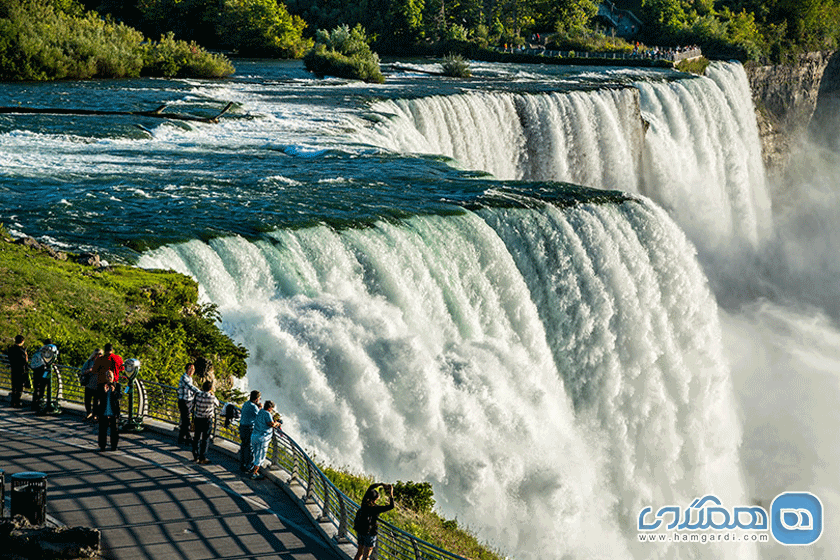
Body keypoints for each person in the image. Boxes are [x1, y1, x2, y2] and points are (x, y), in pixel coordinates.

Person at [352, 483, 395, 560]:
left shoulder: (364, 503)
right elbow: (391, 506)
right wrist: (391, 493)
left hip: (360, 530)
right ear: (375, 499)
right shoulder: (375, 508)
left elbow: (371, 487)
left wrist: (381, 484)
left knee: (359, 553)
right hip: (370, 533)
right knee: (366, 556)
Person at [248, 399, 281, 480]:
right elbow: (271, 424)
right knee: (259, 456)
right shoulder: (267, 414)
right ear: (270, 408)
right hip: (262, 438)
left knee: (255, 453)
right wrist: (277, 423)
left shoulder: (260, 411)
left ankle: (252, 469)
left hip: (254, 436)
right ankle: (254, 474)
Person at [191, 380, 219, 464]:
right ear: (210, 389)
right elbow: (217, 404)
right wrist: (213, 394)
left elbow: (193, 403)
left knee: (196, 437)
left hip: (198, 418)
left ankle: (195, 455)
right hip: (207, 420)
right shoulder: (212, 397)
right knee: (205, 439)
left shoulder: (197, 395)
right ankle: (202, 457)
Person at [95, 370, 122, 451]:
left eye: (110, 376)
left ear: (113, 377)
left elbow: (119, 396)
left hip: (113, 412)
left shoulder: (117, 385)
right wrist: (104, 391)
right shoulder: (101, 386)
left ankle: (114, 446)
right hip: (104, 412)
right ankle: (102, 446)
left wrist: (114, 392)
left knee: (114, 431)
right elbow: (97, 398)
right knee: (102, 431)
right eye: (107, 376)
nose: (109, 378)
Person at [29, 339, 55, 411]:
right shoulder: (48, 351)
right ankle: (40, 403)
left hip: (36, 371)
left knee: (37, 387)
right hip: (44, 370)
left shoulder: (39, 350)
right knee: (43, 386)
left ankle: (35, 404)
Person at [238, 390, 261, 472]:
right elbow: (260, 417)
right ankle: (249, 466)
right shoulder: (254, 407)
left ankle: (242, 464)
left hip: (242, 427)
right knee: (250, 447)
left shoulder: (246, 403)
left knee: (243, 446)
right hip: (249, 428)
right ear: (257, 399)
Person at [177, 363, 198, 444]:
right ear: (188, 369)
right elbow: (190, 387)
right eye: (192, 369)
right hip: (184, 402)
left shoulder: (189, 378)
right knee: (187, 420)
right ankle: (188, 437)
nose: (193, 371)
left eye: (194, 369)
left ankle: (181, 437)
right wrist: (202, 393)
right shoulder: (184, 378)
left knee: (185, 420)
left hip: (188, 401)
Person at [80, 348, 103, 420]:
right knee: (87, 401)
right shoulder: (89, 362)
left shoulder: (103, 363)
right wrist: (89, 370)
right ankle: (89, 413)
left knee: (96, 401)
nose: (98, 356)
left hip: (98, 385)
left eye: (100, 354)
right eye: (97, 354)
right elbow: (82, 371)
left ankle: (95, 414)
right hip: (89, 384)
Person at [7, 334, 29, 408]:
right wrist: (26, 356)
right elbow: (24, 361)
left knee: (14, 386)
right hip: (21, 371)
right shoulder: (21, 350)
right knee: (19, 387)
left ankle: (13, 401)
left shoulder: (11, 349)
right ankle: (17, 402)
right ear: (22, 341)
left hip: (13, 369)